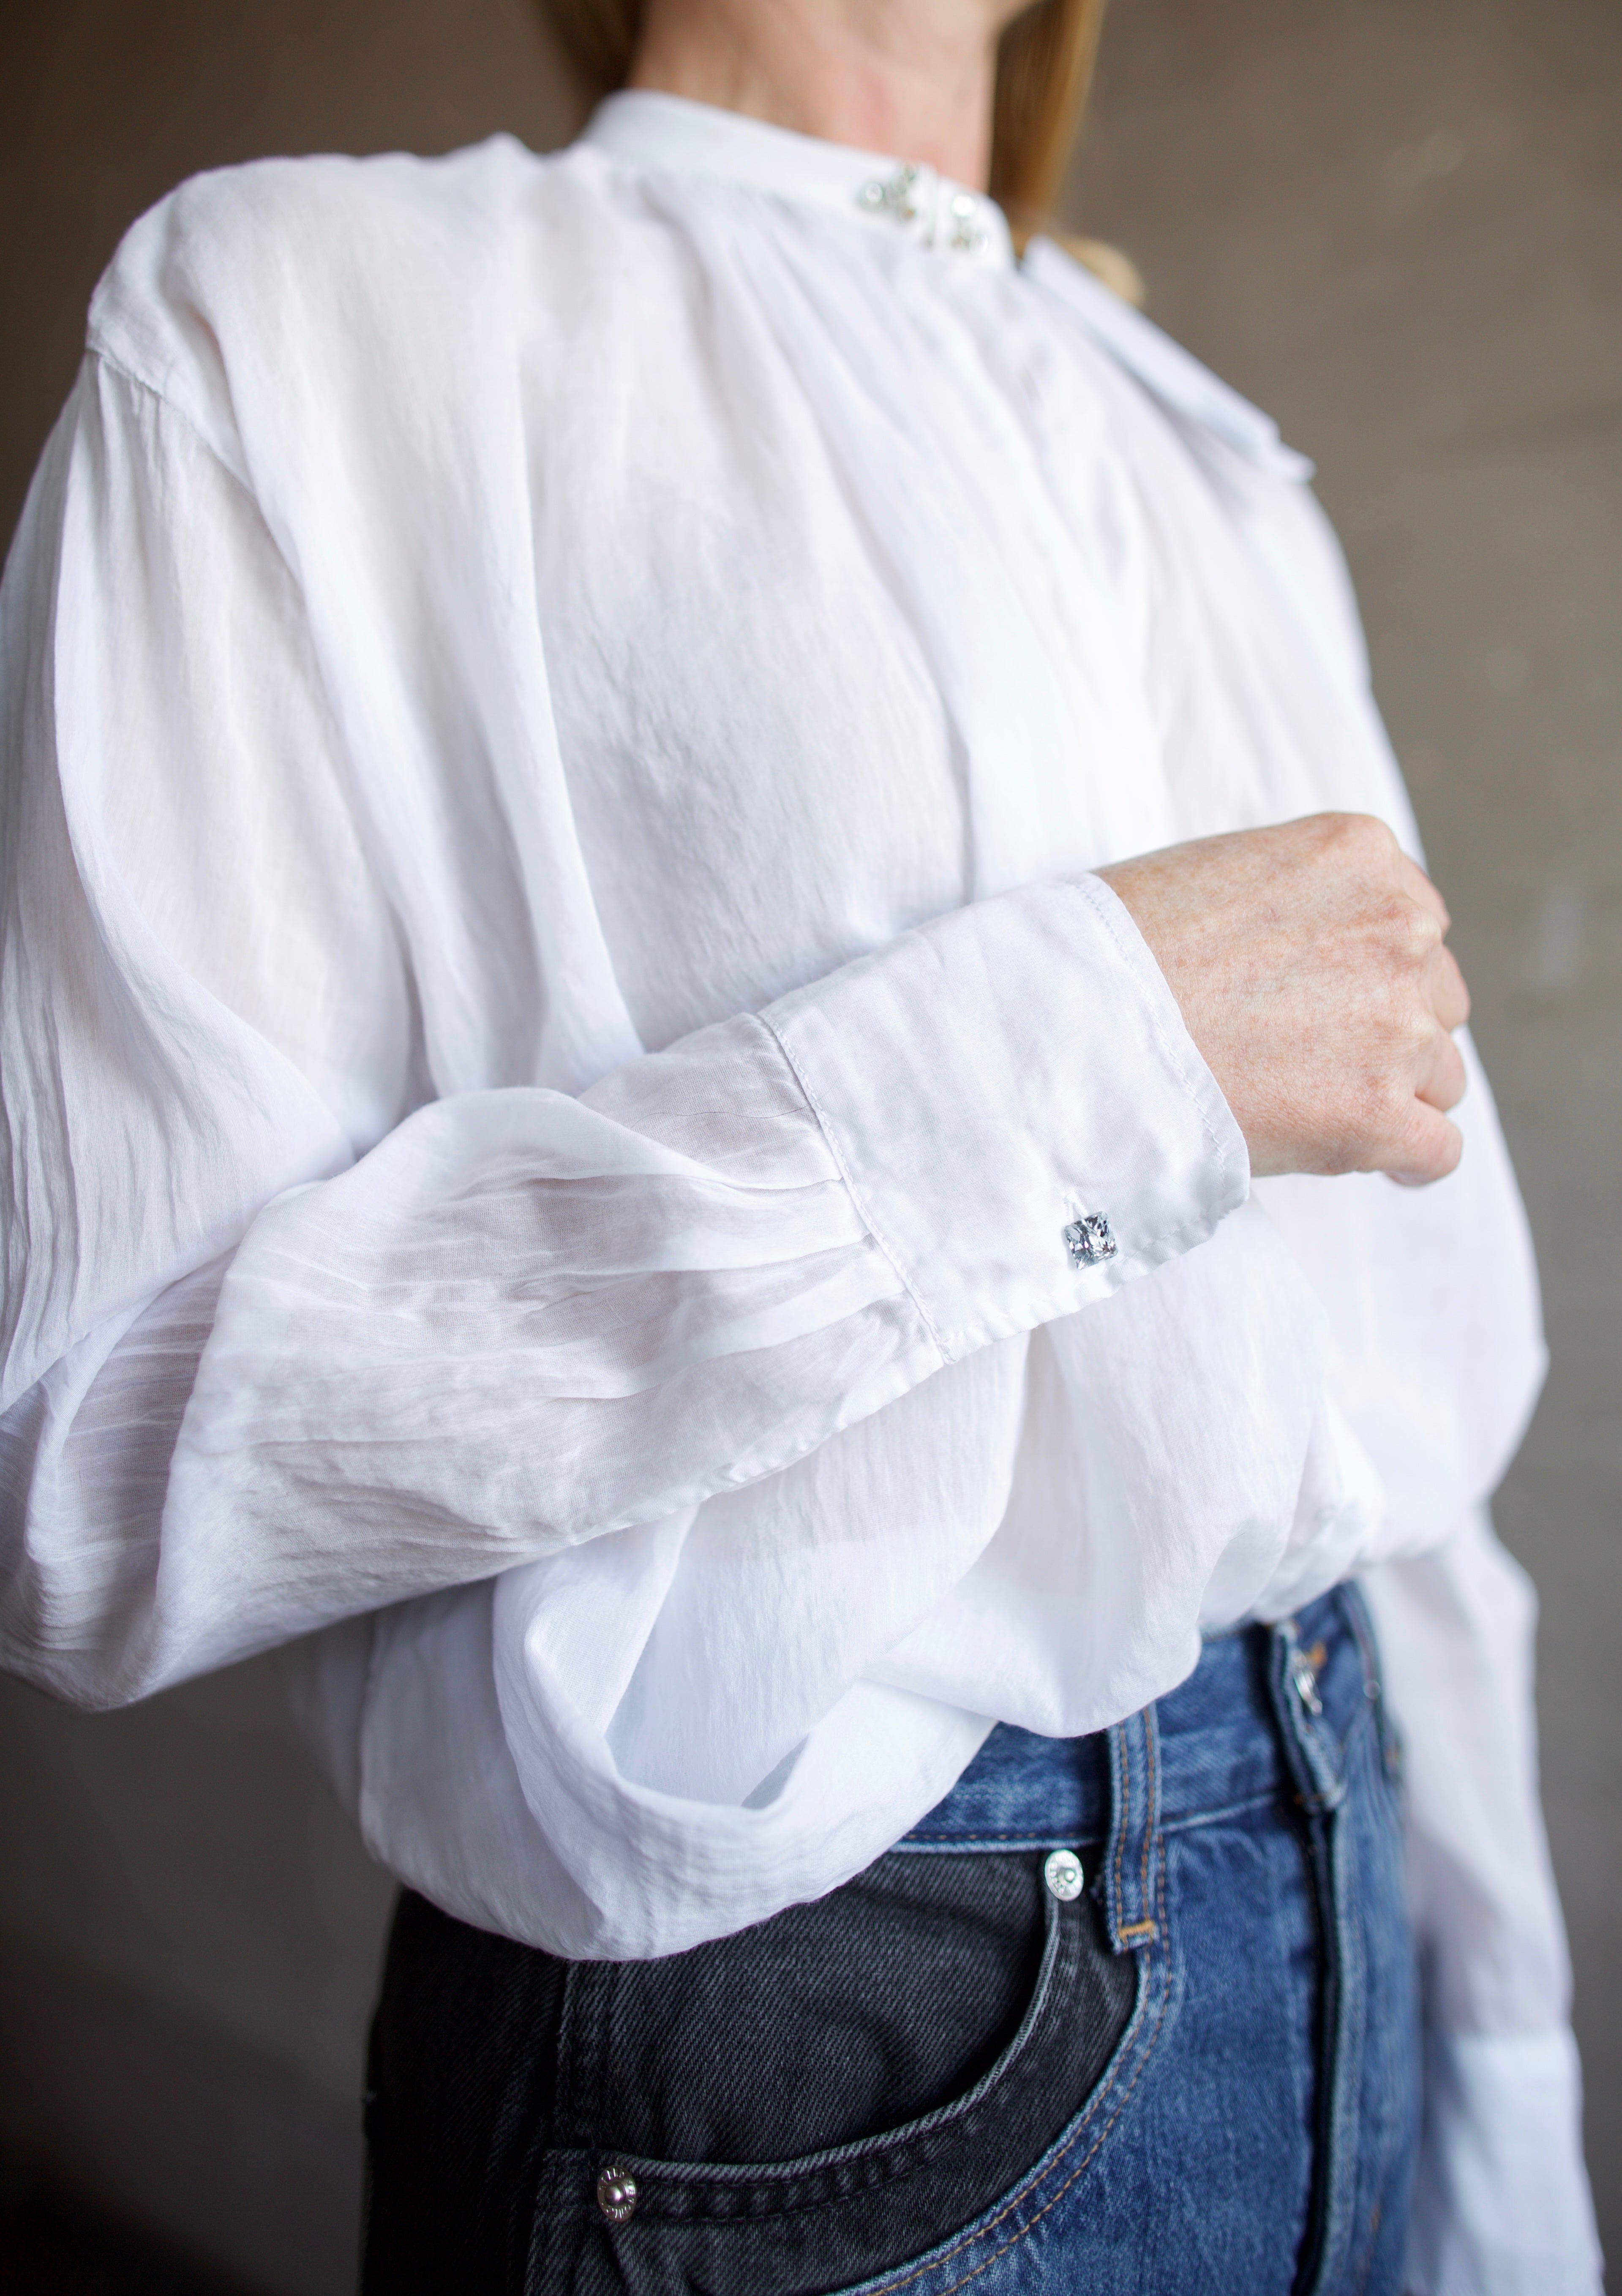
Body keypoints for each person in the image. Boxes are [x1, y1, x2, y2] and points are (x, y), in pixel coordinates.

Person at [0, 0, 1603, 2288]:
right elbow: (79, 1451)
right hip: (815, 2036)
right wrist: (1078, 1055)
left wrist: (1508, 2102)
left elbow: (1405, 1434)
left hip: (1352, 1890)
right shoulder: (294, 315)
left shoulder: (1203, 455)